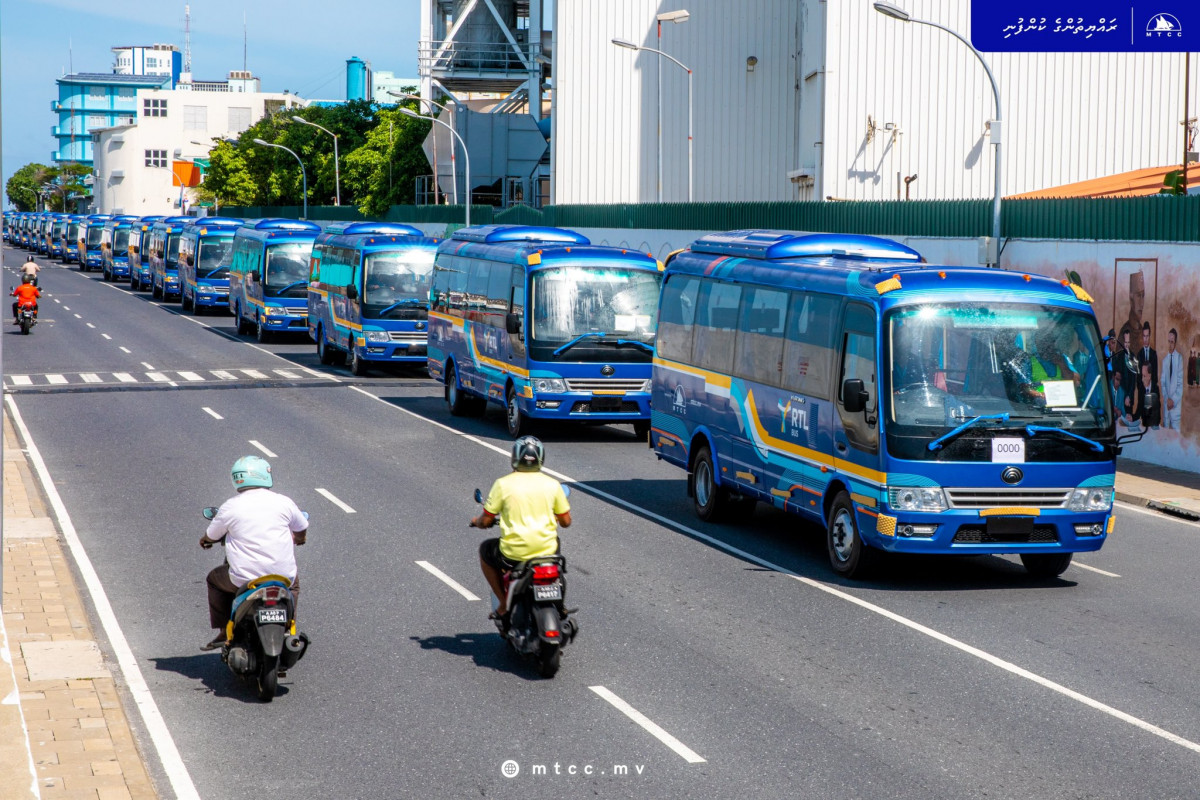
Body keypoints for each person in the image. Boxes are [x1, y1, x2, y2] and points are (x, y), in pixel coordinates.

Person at [199, 456, 307, 651]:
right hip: (283, 577)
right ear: (265, 475)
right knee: (293, 586)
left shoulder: (230, 506)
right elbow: (301, 527)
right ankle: (289, 627)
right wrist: (300, 539)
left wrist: (205, 541)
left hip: (244, 579)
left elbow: (212, 534)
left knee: (214, 579)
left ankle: (224, 631)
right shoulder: (283, 502)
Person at [471, 436, 571, 625]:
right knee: (556, 557)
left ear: (515, 458)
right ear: (541, 458)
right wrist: (556, 516)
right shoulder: (553, 485)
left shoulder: (502, 484)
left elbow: (487, 520)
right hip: (546, 552)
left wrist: (477, 521)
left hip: (513, 554)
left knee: (485, 550)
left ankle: (503, 603)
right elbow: (566, 522)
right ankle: (560, 604)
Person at [1161, 328, 1183, 430]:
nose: (1170, 345)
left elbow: (1180, 384)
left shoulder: (1179, 359)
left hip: (1175, 409)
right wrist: (1167, 399)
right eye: (1168, 341)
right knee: (1166, 440)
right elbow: (1163, 383)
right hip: (1166, 408)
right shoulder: (1165, 361)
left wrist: (1172, 400)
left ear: (1175, 342)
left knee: (1175, 441)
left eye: (1172, 342)